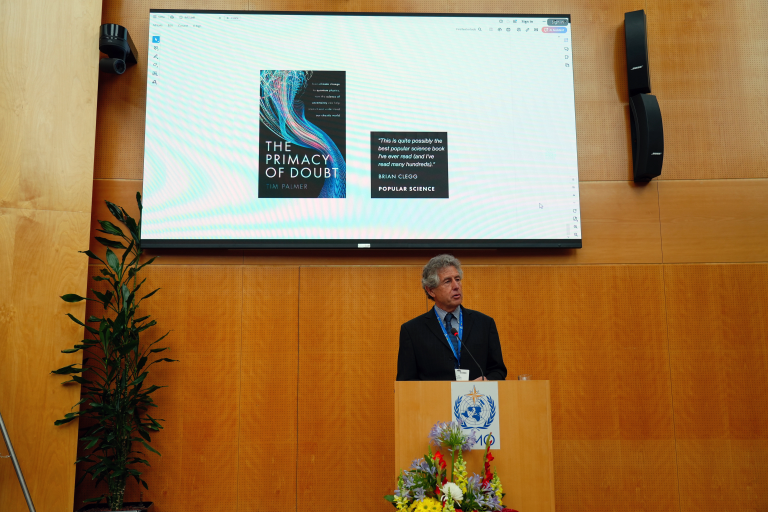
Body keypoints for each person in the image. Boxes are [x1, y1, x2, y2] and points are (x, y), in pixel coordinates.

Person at [396, 254, 507, 381]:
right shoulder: (412, 330)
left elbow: (498, 370)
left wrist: (486, 380)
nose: (456, 286)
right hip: (435, 400)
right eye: (448, 281)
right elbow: (406, 381)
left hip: (475, 397)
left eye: (458, 279)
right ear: (431, 290)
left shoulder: (485, 324)